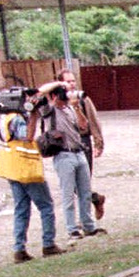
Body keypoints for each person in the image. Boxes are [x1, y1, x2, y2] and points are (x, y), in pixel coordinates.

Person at [35, 84, 102, 240]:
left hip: (79, 153)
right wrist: (59, 85)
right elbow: (40, 91)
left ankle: (89, 226)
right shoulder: (49, 110)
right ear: (53, 97)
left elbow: (84, 126)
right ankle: (72, 229)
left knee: (85, 193)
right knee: (68, 194)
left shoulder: (70, 109)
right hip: (63, 155)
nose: (65, 98)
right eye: (61, 95)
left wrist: (77, 108)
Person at [0, 108, 60, 263]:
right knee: (46, 206)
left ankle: (19, 249)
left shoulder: (6, 117)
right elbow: (27, 136)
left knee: (21, 210)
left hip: (13, 168)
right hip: (27, 169)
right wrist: (33, 115)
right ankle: (48, 244)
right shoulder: (18, 119)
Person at [48, 70, 108, 224]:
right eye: (68, 81)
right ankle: (95, 200)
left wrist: (98, 142)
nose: (72, 84)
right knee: (73, 186)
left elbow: (93, 120)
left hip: (82, 143)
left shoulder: (81, 99)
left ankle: (85, 219)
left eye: (73, 81)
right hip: (64, 148)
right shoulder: (55, 103)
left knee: (83, 182)